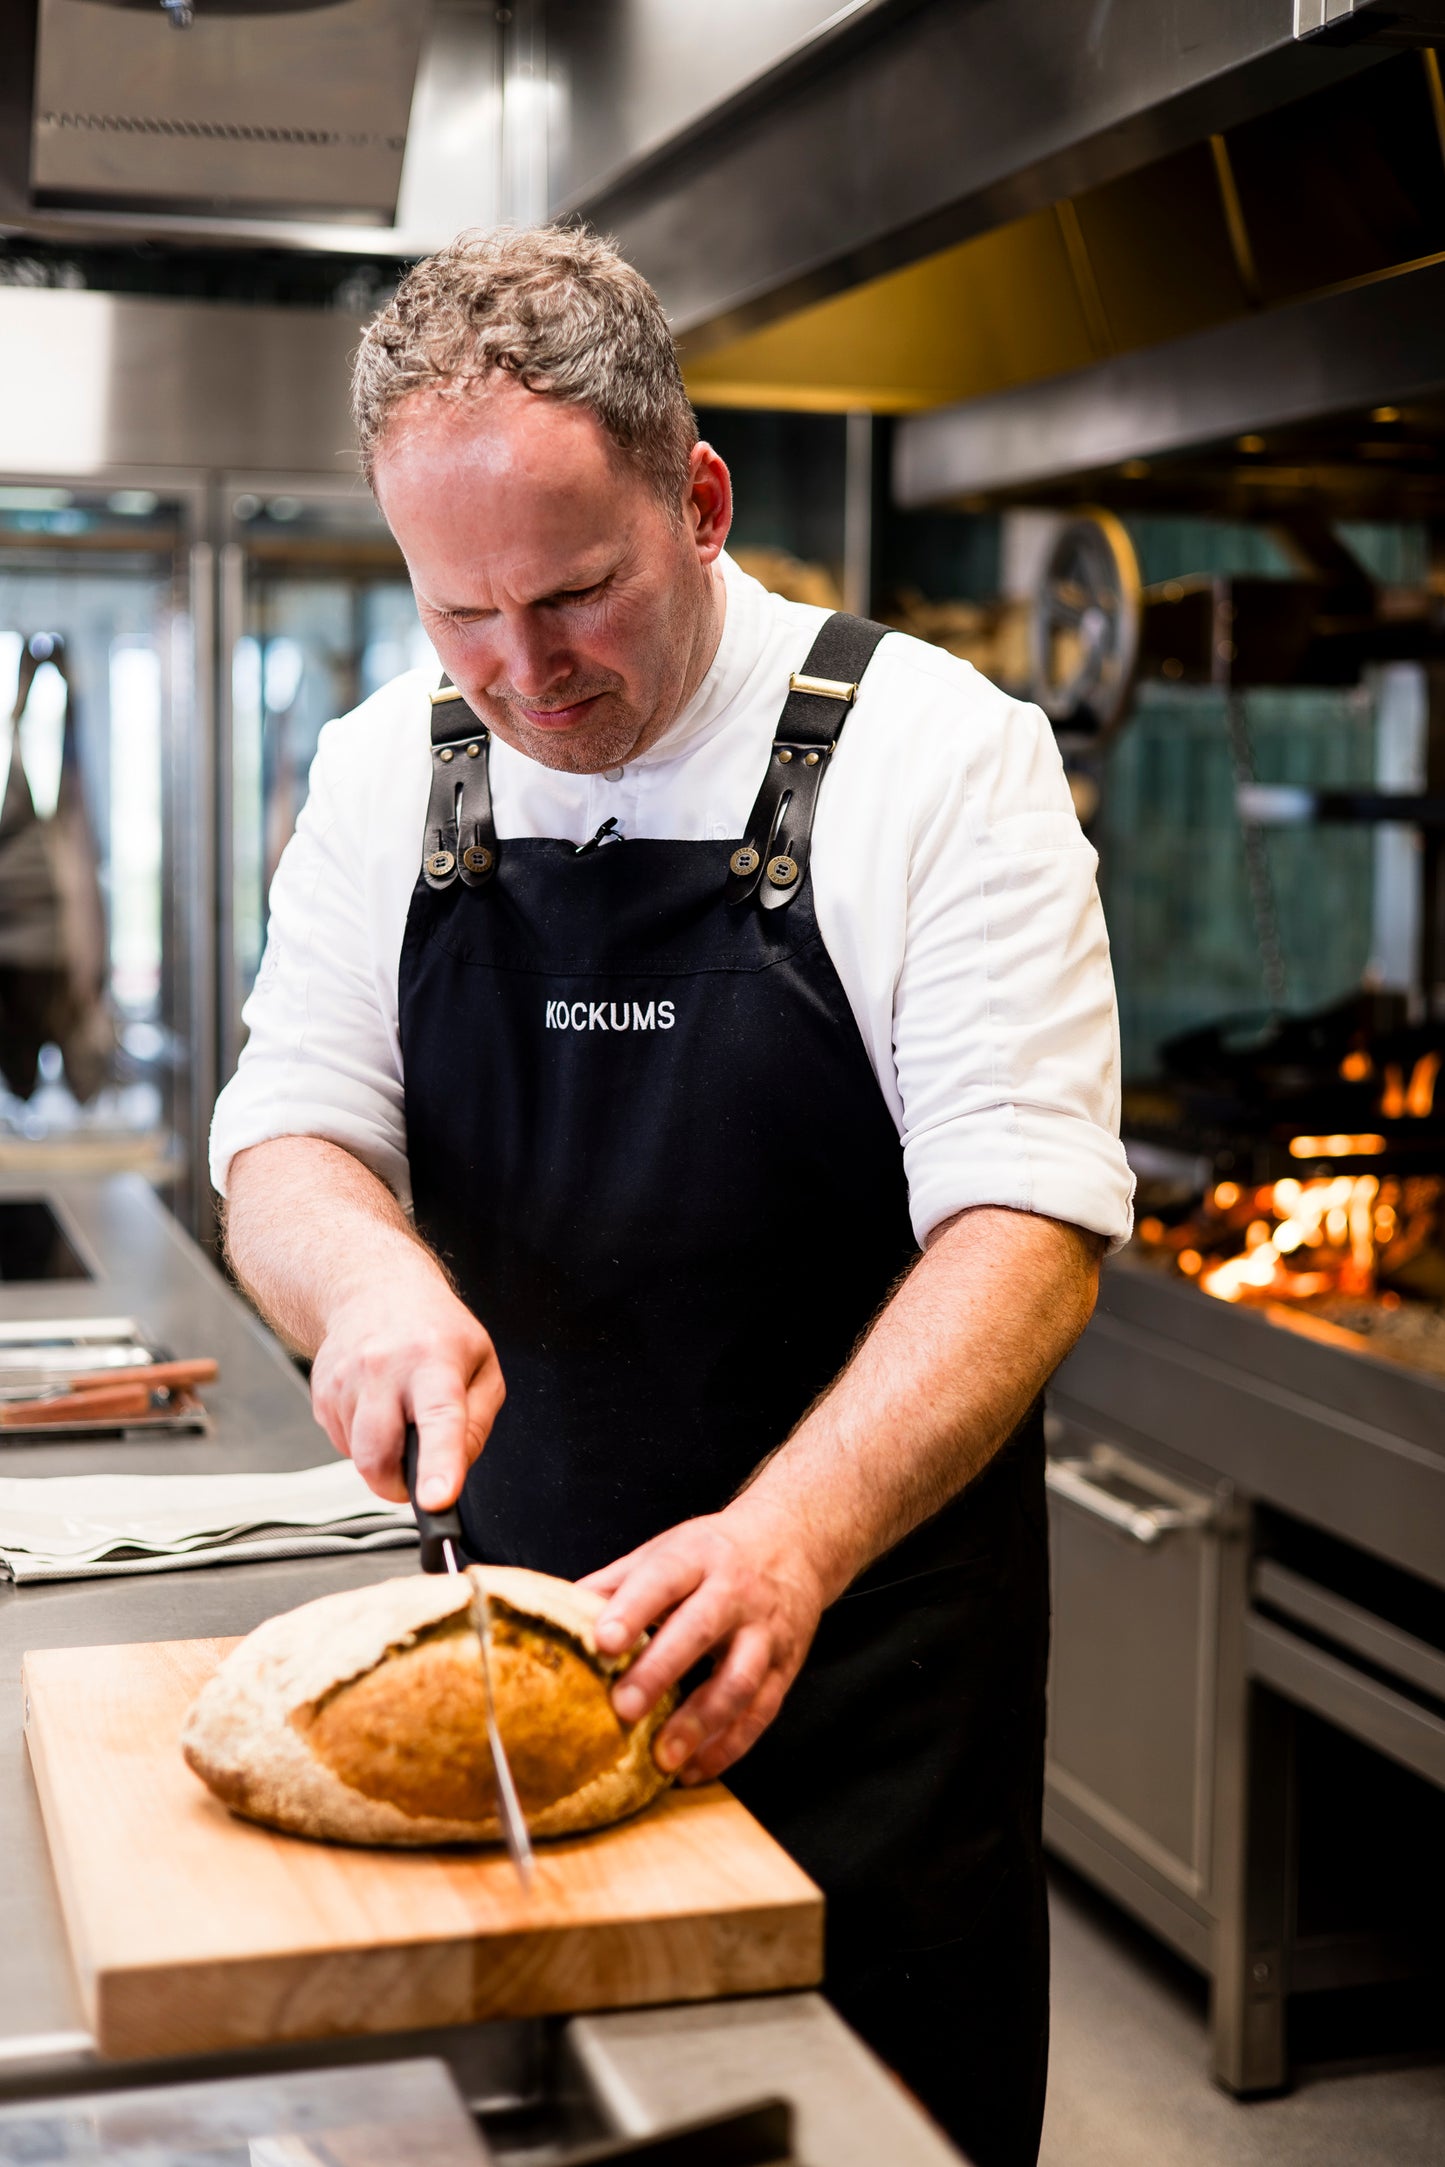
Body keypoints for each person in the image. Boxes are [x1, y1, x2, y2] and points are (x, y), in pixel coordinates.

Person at [211, 226, 1134, 2167]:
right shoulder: (391, 769)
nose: (522, 674)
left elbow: (1028, 1227)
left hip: (863, 1706)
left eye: (576, 593)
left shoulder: (941, 762)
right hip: (499, 1719)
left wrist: (788, 1543)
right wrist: (366, 1284)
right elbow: (285, 1136)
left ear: (698, 502)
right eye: (456, 612)